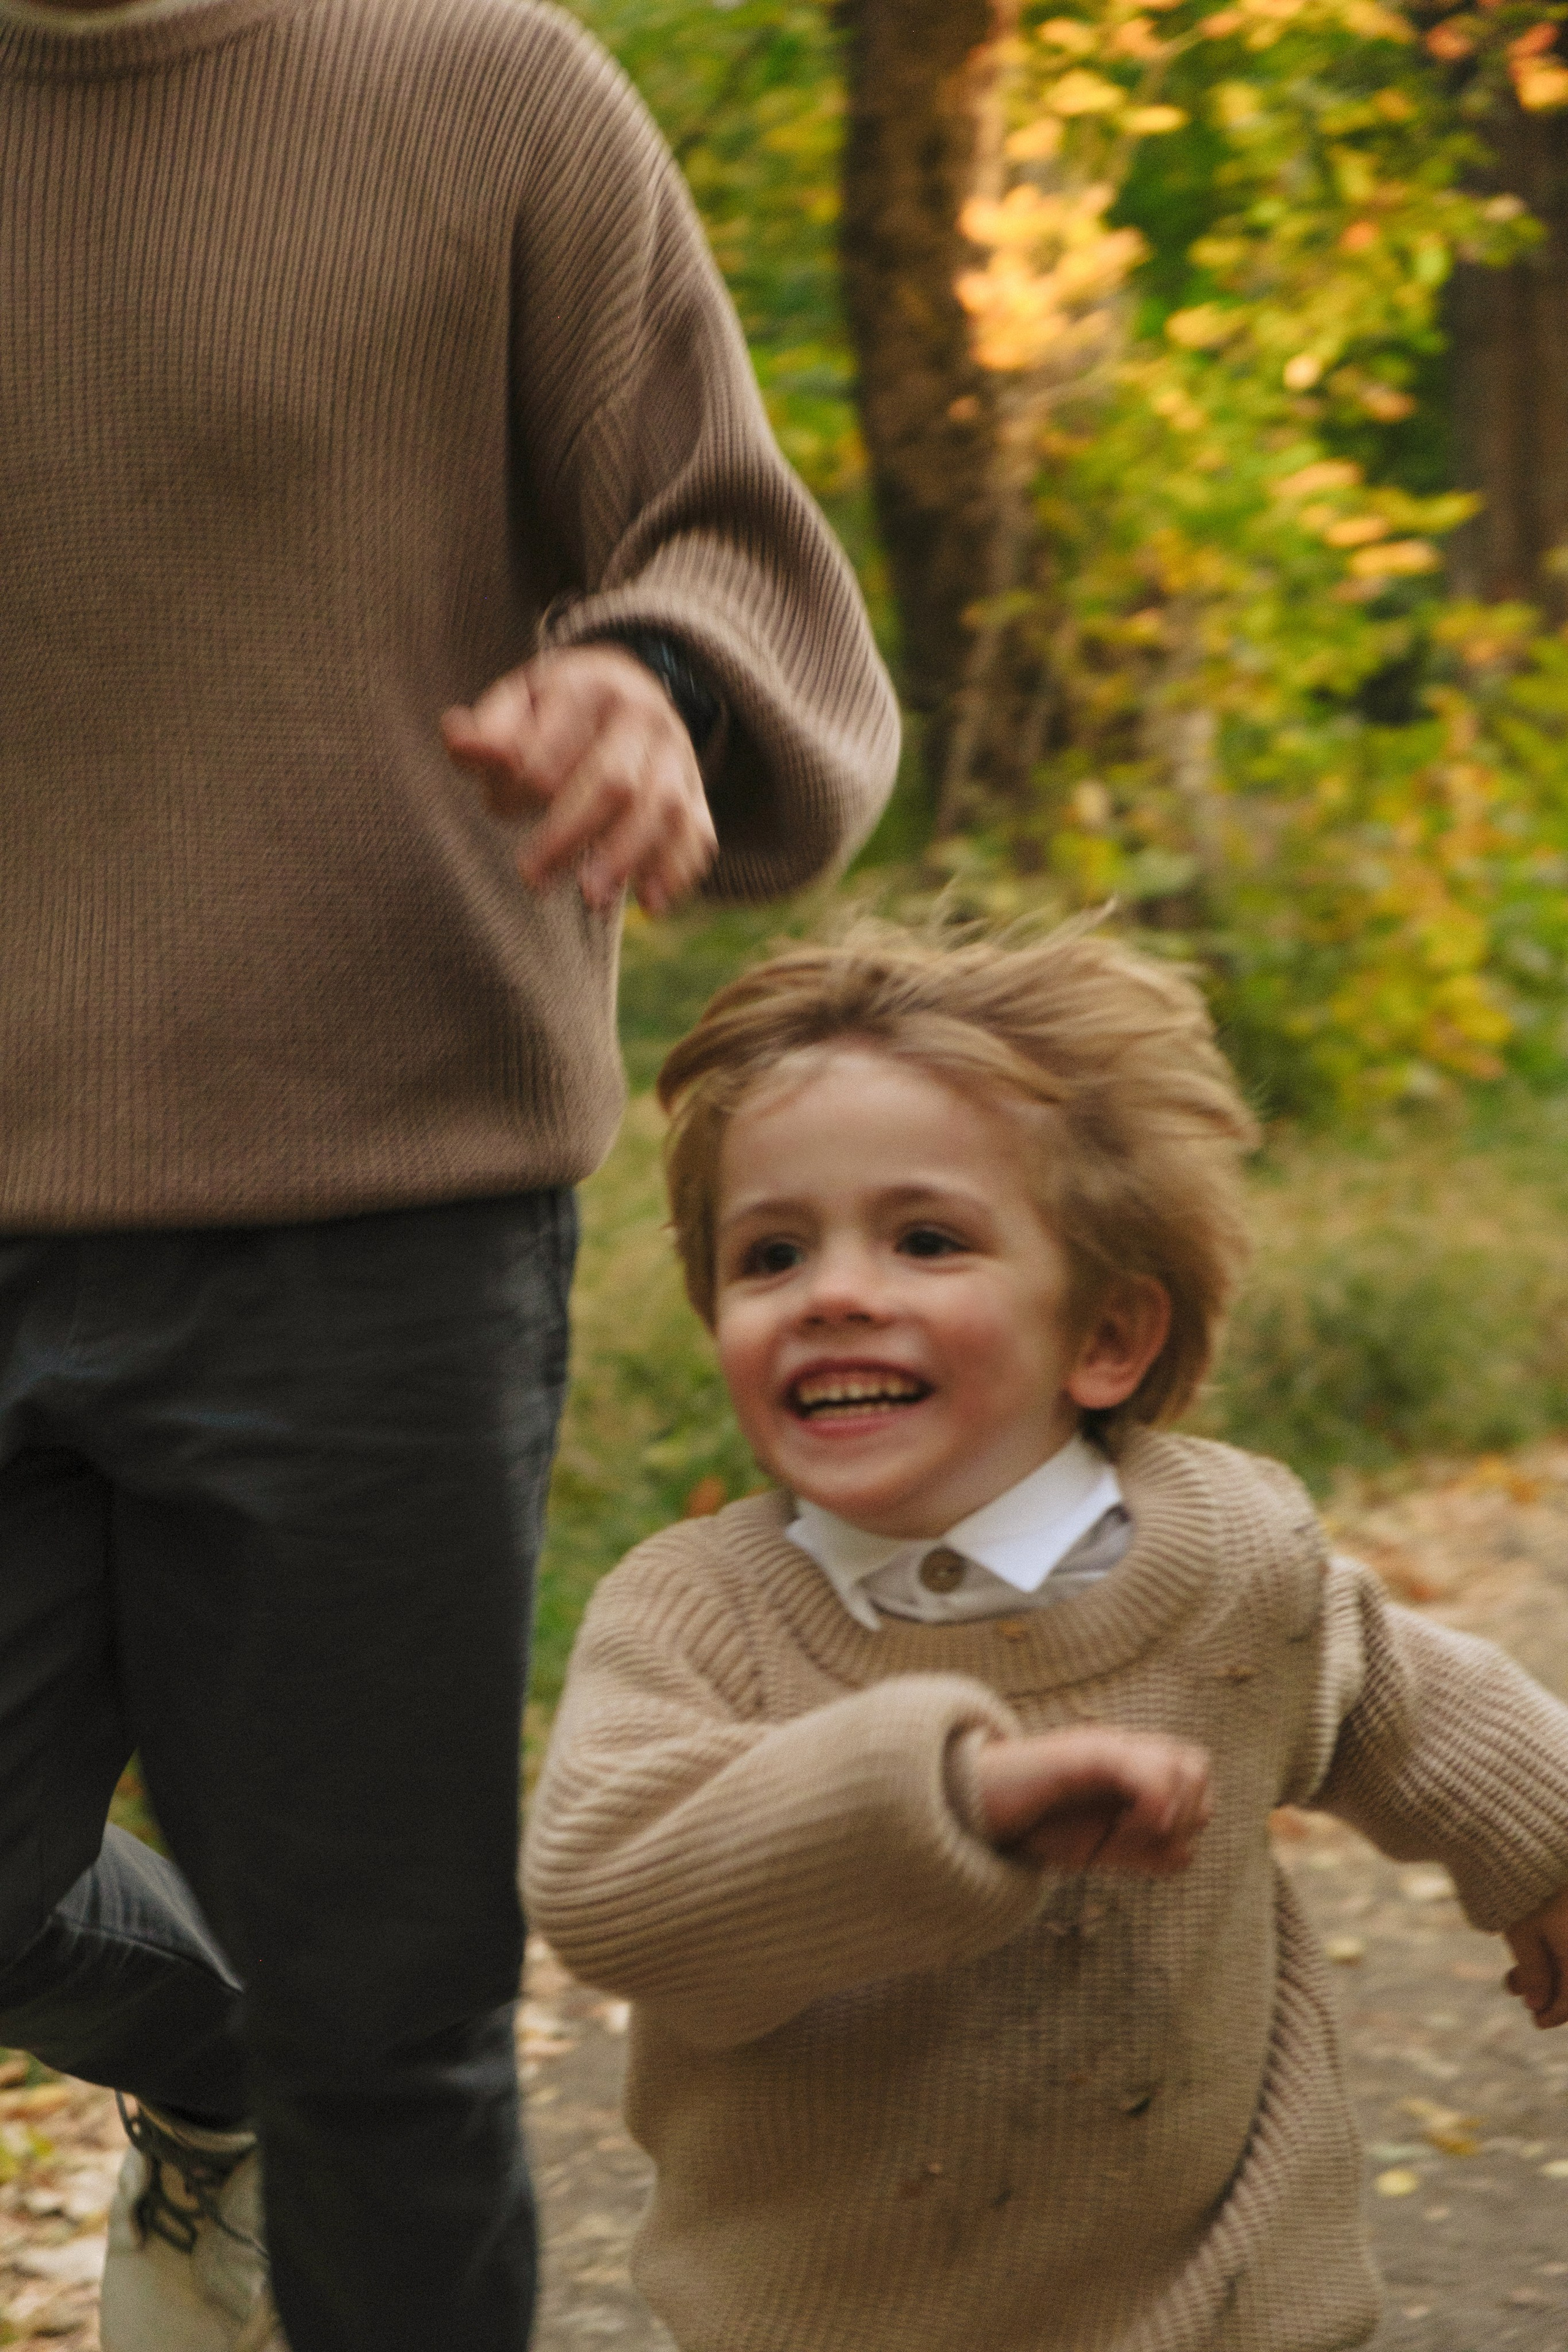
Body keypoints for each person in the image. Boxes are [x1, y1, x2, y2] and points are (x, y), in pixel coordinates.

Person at [0, 0, 898, 2342]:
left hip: (368, 1208)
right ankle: (214, 2077)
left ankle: (289, 2092)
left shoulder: (489, 95)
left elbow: (728, 540)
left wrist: (652, 681)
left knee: (381, 2033)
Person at [526, 922, 1568, 2352]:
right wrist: (949, 1801)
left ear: (1107, 1339)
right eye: (770, 1253)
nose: (830, 1290)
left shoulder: (1231, 1557)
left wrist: (1548, 1847)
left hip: (1226, 2304)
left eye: (925, 1239)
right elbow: (608, 1884)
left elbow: (1401, 1701)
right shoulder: (697, 1612)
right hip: (835, 2318)